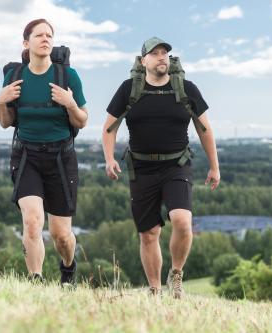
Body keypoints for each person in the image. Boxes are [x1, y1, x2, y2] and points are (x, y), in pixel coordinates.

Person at [102, 37, 220, 298]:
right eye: (154, 53)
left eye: (165, 52)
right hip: (141, 168)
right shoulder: (128, 89)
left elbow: (205, 129)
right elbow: (109, 128)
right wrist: (109, 159)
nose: (161, 57)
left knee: (182, 220)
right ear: (143, 61)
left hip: (176, 165)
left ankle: (176, 275)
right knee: (149, 233)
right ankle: (155, 289)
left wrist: (214, 166)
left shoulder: (186, 88)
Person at [0, 18, 88, 288]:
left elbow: (82, 121)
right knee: (33, 222)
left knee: (61, 235)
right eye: (39, 35)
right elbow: (4, 121)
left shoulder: (67, 76)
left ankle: (68, 268)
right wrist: (0, 101)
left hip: (61, 158)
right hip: (27, 156)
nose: (46, 39)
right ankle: (35, 283)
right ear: (26, 43)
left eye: (49, 35)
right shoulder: (14, 76)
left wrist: (71, 103)